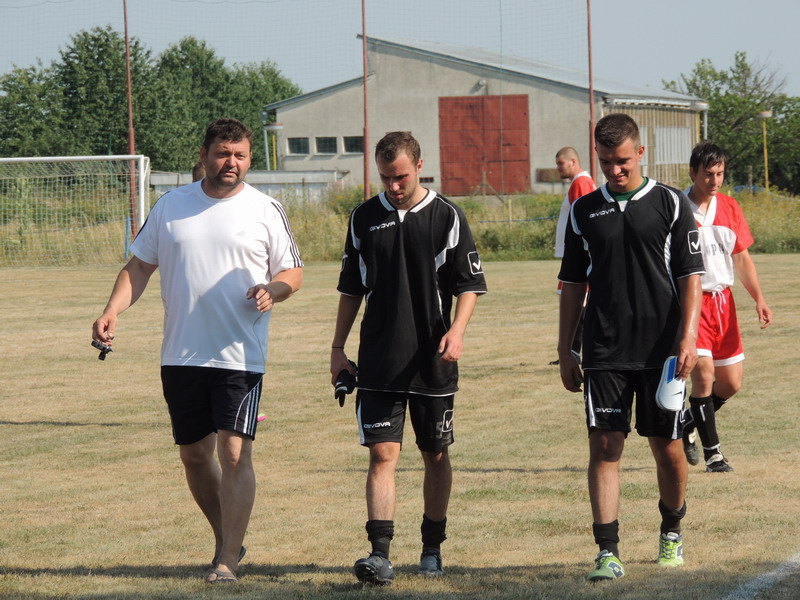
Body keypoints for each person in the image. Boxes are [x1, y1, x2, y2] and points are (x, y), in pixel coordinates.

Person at [92, 117, 303, 584]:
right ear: (205, 155)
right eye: (223, 153)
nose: (232, 162)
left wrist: (274, 289)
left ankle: (227, 560)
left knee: (234, 453)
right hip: (181, 355)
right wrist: (112, 310)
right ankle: (228, 537)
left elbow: (293, 271)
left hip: (239, 355)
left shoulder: (265, 208)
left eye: (240, 155)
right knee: (193, 456)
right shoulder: (172, 205)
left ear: (249, 159)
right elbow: (139, 267)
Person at [330, 131, 486, 585]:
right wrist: (337, 349)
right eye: (385, 178)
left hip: (432, 360)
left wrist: (457, 330)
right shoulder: (363, 218)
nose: (393, 186)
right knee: (382, 454)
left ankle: (432, 547)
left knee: (435, 454)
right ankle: (379, 555)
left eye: (400, 176)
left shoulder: (446, 216)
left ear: (419, 166)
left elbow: (469, 285)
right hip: (379, 359)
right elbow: (351, 289)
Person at [557, 113, 704, 582]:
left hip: (664, 350)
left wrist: (688, 337)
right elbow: (572, 283)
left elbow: (690, 276)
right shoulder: (584, 210)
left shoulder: (670, 203)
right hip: (604, 348)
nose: (614, 170)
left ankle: (672, 530)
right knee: (605, 445)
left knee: (668, 447)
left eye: (622, 161)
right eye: (605, 162)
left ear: (640, 153)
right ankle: (607, 551)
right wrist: (566, 347)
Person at [681, 141, 772, 473]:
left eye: (719, 173)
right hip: (693, 303)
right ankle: (714, 455)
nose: (715, 180)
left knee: (731, 383)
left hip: (724, 305)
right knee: (704, 375)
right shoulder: (678, 208)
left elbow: (742, 258)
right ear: (693, 172)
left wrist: (759, 298)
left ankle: (687, 421)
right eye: (708, 174)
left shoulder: (730, 207)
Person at [550, 147, 595, 365]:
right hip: (575, 255)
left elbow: (584, 218)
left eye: (561, 163)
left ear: (573, 161)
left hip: (579, 256)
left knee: (576, 302)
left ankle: (573, 351)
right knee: (575, 301)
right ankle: (572, 351)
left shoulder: (581, 183)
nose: (558, 167)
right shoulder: (579, 182)